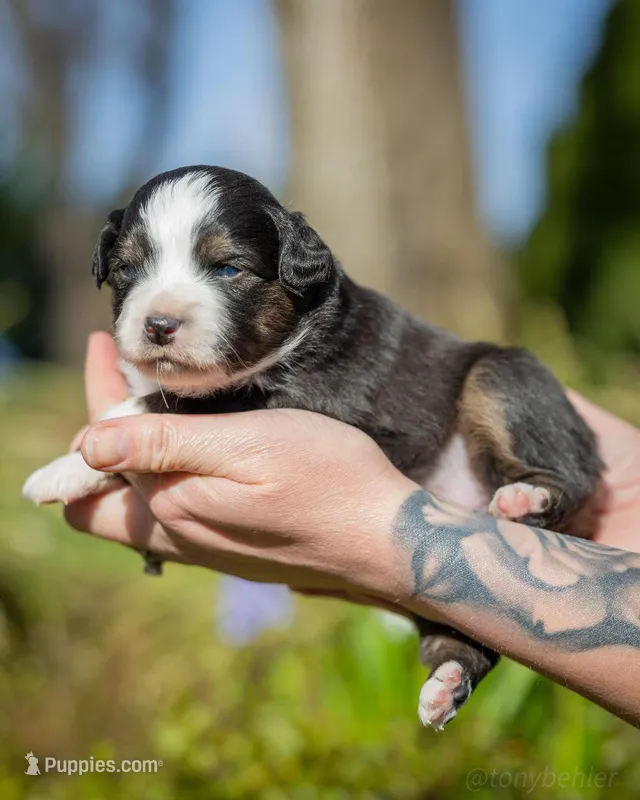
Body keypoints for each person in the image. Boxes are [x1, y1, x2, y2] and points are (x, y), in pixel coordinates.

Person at [65, 332, 640, 726]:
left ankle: (543, 491)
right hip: (453, 481)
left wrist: (374, 534)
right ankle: (458, 657)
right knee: (439, 596)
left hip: (473, 455)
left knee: (503, 380)